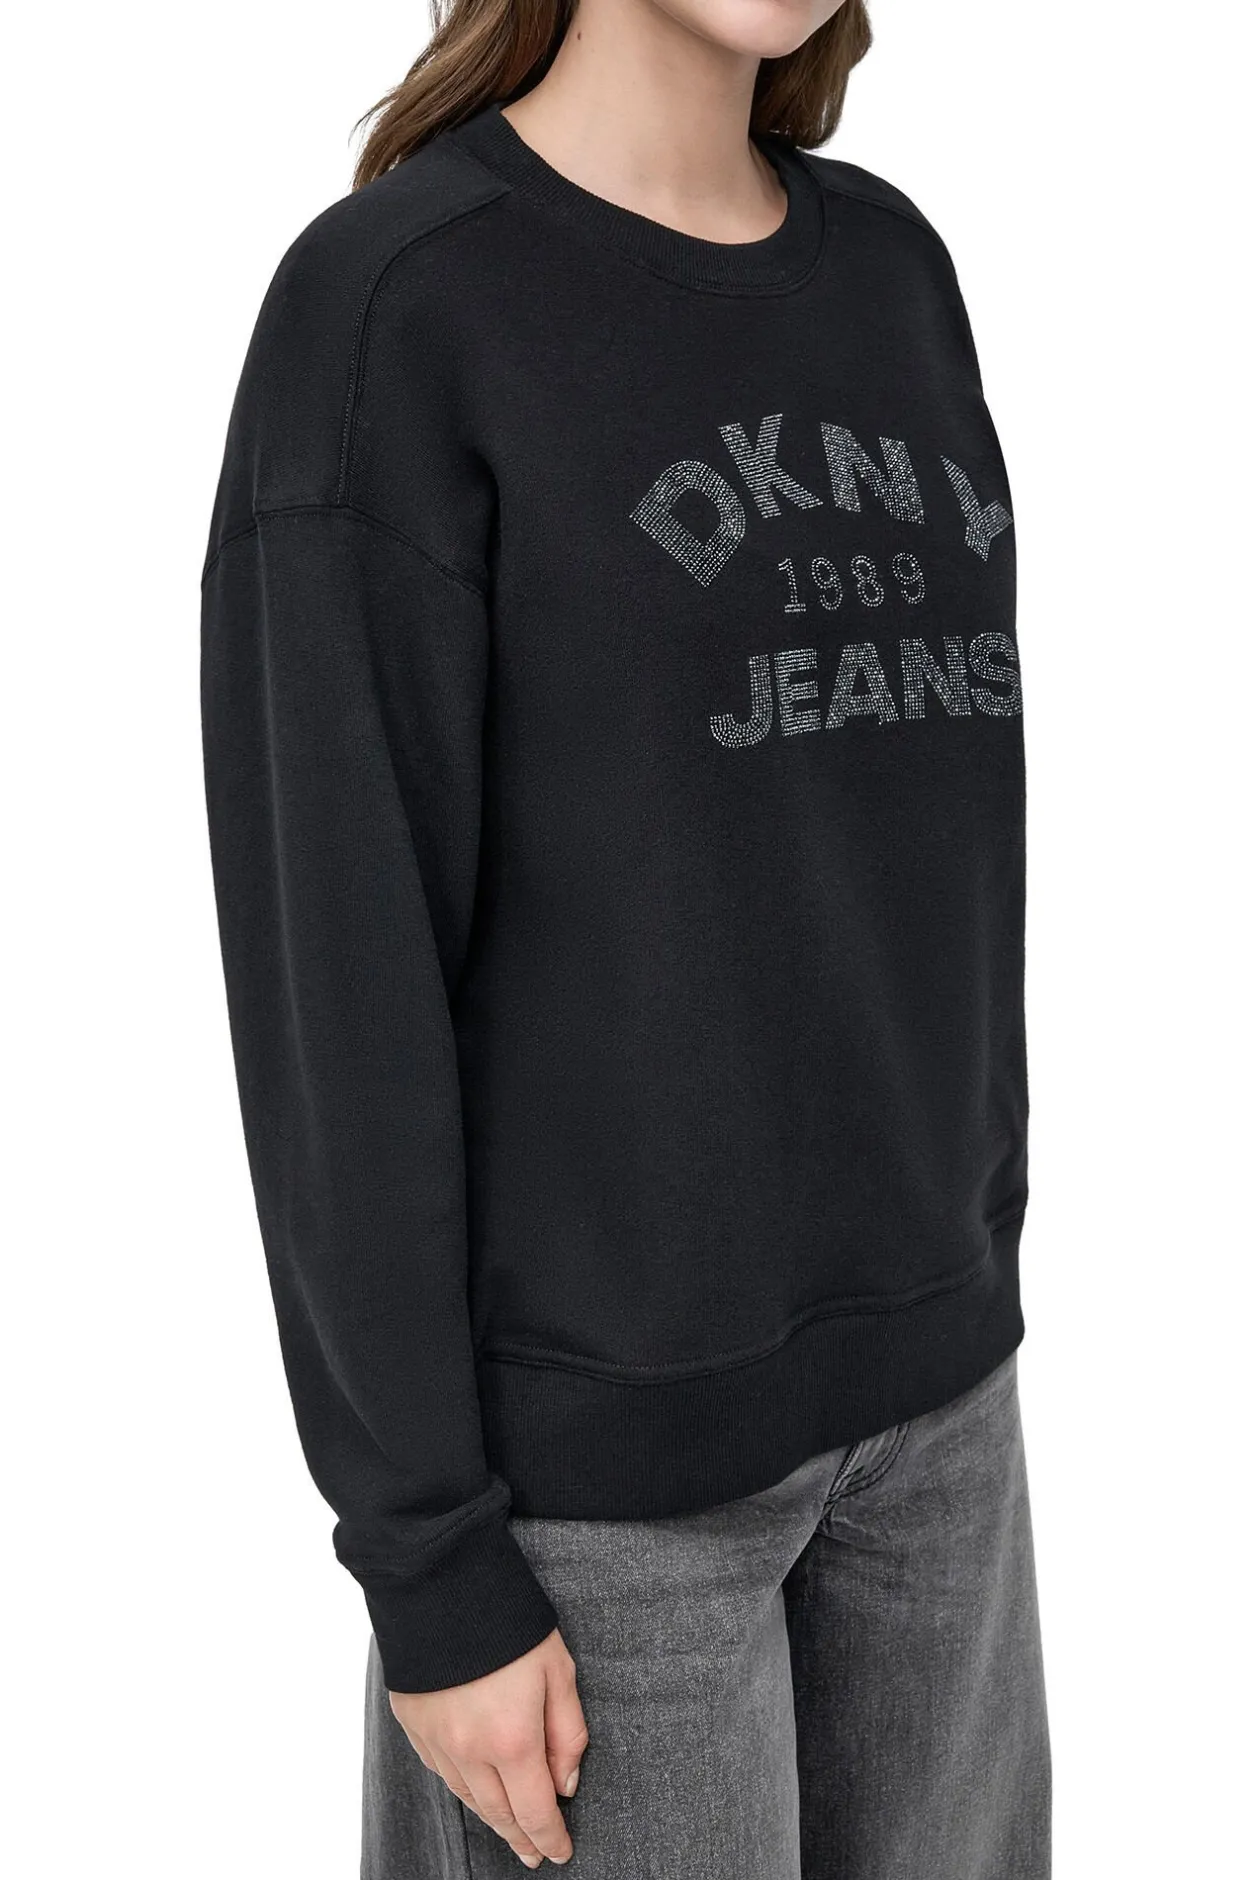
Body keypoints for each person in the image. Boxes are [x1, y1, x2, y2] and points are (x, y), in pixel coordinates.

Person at [201, 0, 1049, 1871]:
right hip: (598, 1506)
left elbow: (937, 834)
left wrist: (975, 1259)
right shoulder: (399, 310)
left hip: (941, 1425)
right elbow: (339, 976)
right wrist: (432, 1560)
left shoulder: (895, 274)